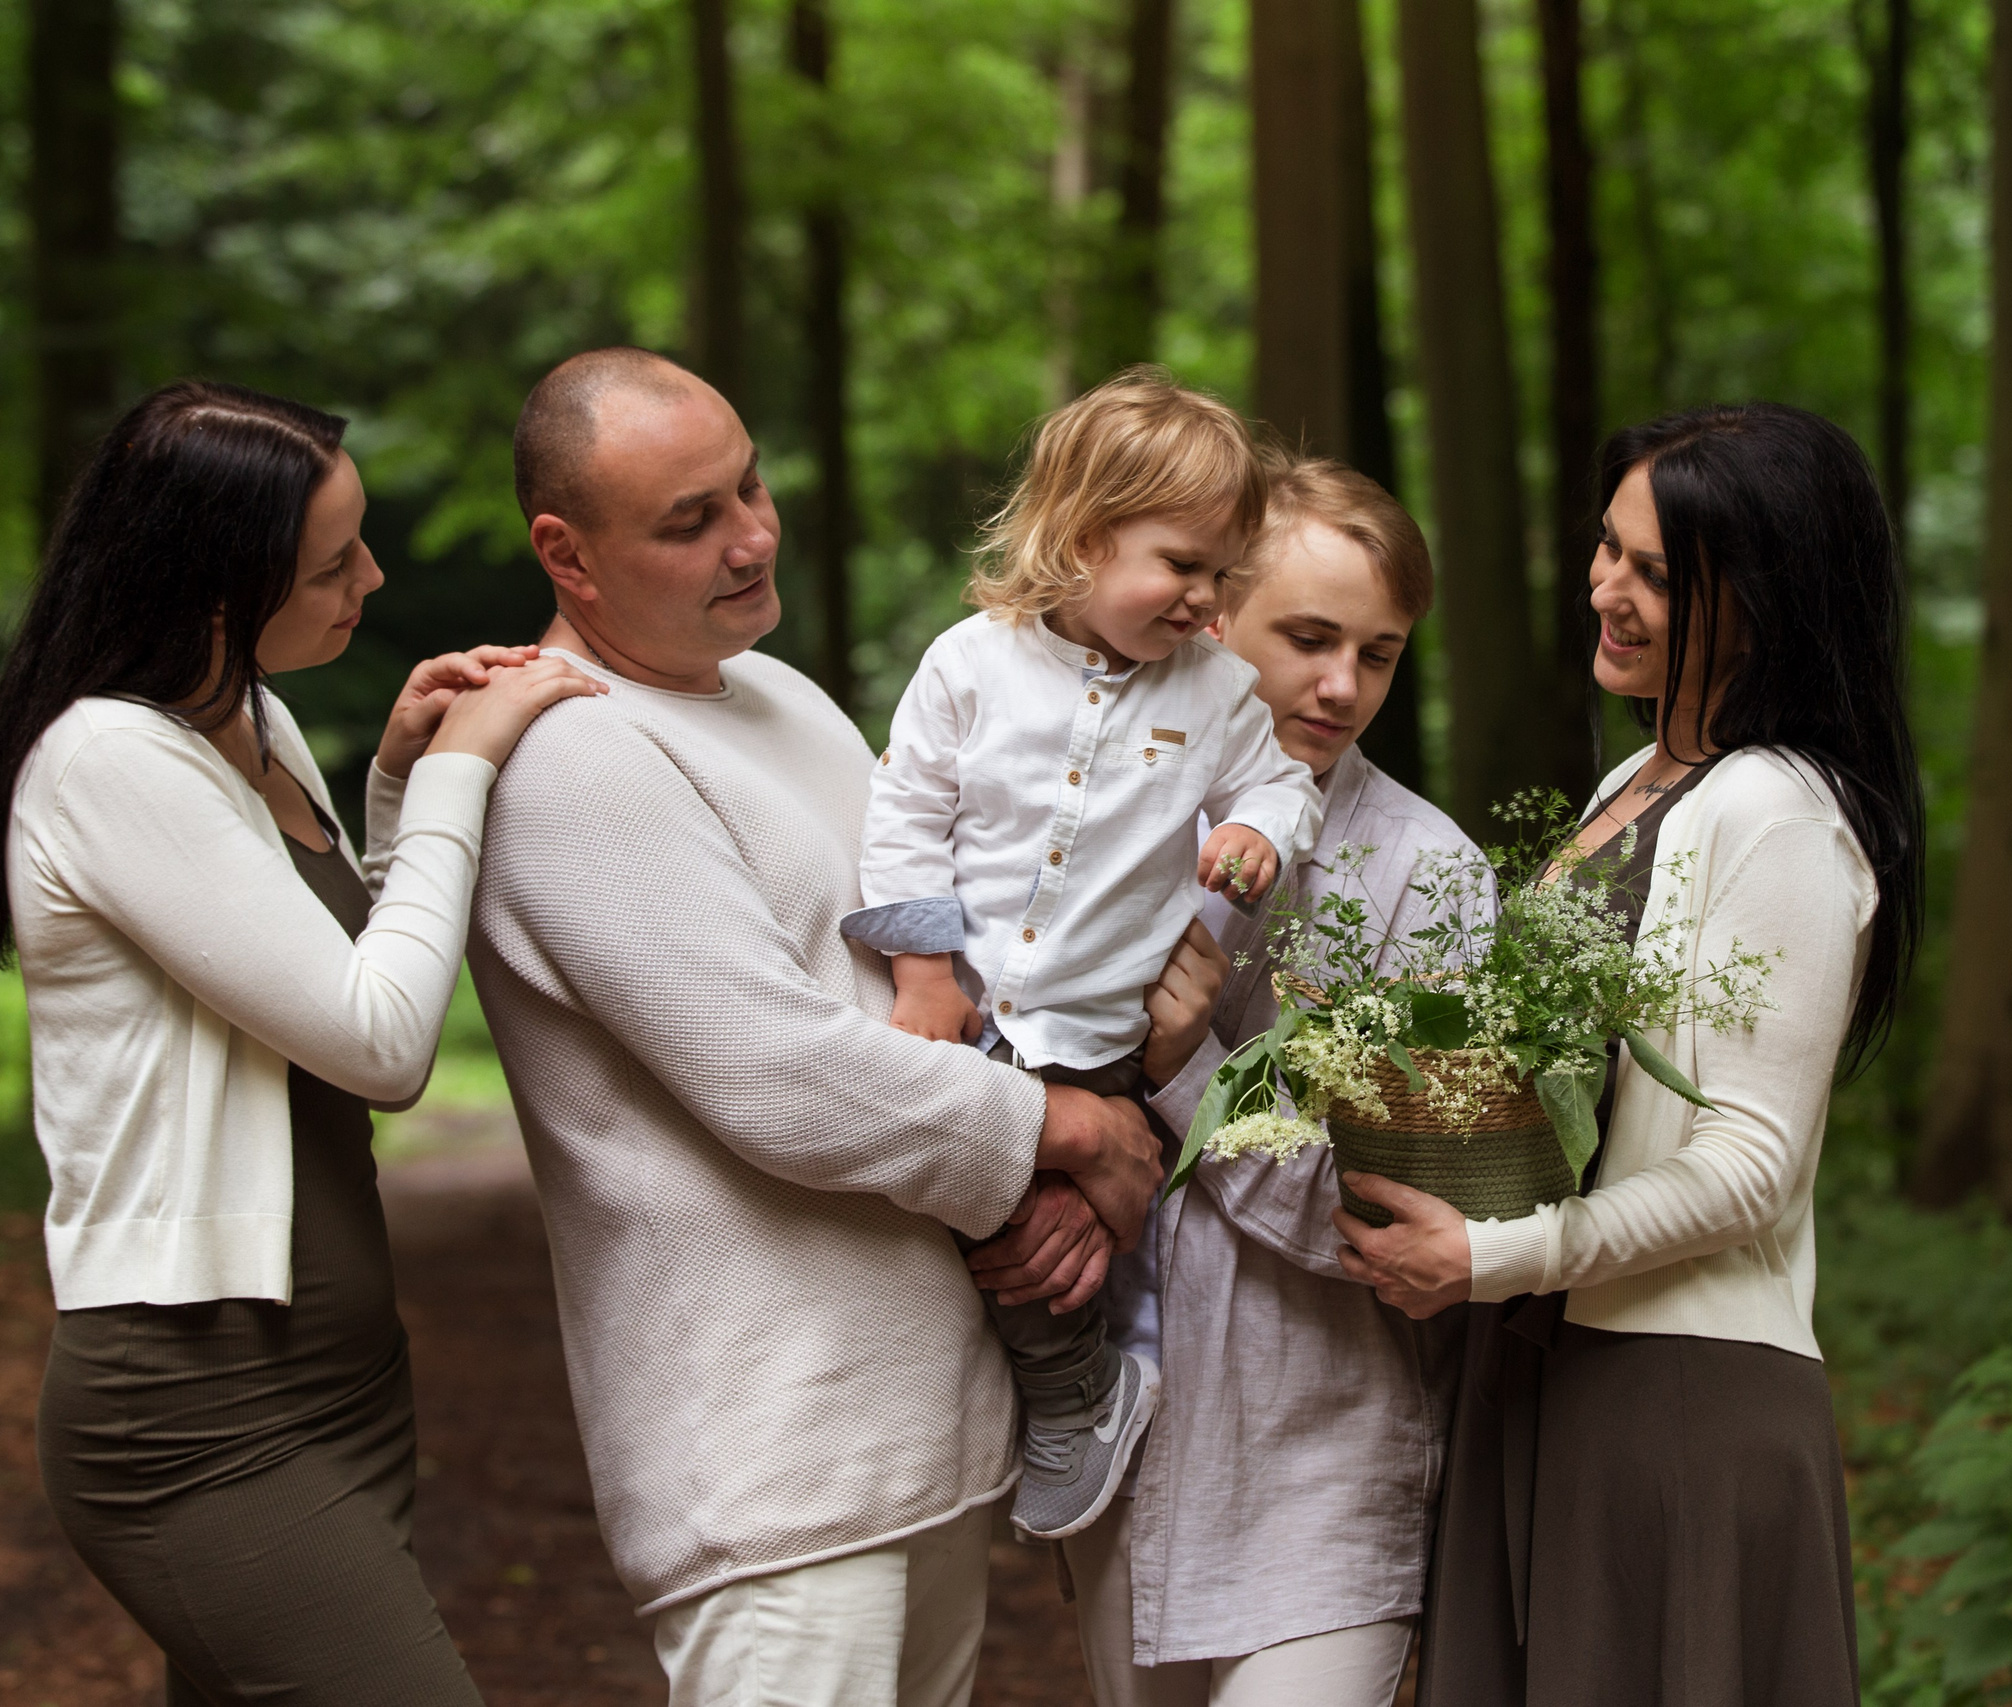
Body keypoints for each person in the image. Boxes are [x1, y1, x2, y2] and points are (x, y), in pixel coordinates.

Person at [464, 347, 1175, 1706]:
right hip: (769, 1459)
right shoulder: (573, 754)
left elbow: (939, 974)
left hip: (918, 1419)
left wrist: (1068, 1149)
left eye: (750, 486)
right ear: (567, 550)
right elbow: (779, 1076)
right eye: (690, 520)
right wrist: (1067, 1126)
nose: (750, 537)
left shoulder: (775, 693)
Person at [0, 379, 606, 1705]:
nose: (370, 575)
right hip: (195, 1408)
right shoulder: (109, 761)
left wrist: (398, 778)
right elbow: (382, 1042)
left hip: (336, 1376)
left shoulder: (252, 718)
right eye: (332, 562)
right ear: (211, 583)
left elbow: (327, 974)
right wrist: (466, 776)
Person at [1341, 403, 1925, 1706]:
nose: (1607, 587)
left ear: (1765, 596)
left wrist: (1491, 1257)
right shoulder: (1637, 781)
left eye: (1657, 571)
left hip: (1674, 1395)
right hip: (1546, 1368)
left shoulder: (1777, 810)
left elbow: (1751, 1166)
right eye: (1608, 546)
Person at [843, 372, 1322, 1544]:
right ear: (1082, 538)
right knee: (965, 1203)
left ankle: (1076, 1396)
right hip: (973, 1012)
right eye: (1179, 564)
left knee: (1034, 1234)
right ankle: (1063, 1386)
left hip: (1098, 1035)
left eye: (1222, 573)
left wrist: (1258, 829)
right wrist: (920, 970)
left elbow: (1276, 780)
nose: (1205, 598)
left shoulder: (1215, 690)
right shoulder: (971, 662)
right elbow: (906, 812)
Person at [1060, 454, 1480, 1705]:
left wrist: (1184, 1075)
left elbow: (1397, 1214)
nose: (1343, 686)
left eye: (1381, 653)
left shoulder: (1431, 876)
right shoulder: (1090, 819)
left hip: (1326, 1461)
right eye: (1306, 639)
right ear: (1211, 613)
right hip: (1121, 1448)